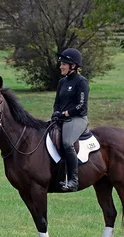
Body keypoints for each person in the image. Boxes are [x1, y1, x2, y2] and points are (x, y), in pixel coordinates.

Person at [51, 48, 89, 192]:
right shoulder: (62, 82)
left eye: (64, 64)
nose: (61, 66)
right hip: (61, 118)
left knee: (67, 142)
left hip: (77, 119)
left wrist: (65, 113)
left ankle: (73, 180)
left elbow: (81, 106)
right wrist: (56, 112)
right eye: (61, 64)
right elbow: (57, 102)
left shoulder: (81, 82)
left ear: (73, 66)